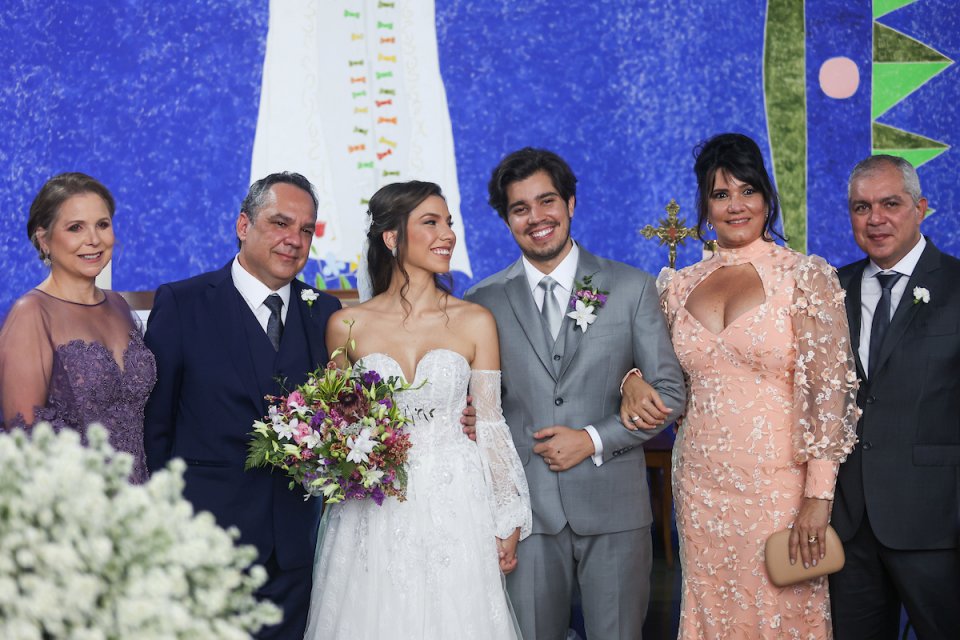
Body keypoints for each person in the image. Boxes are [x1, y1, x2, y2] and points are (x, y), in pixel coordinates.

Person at [465, 147, 686, 640]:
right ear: (506, 220)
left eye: (547, 201)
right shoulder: (482, 302)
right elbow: (479, 405)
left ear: (570, 203)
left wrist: (591, 438)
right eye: (520, 208)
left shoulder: (629, 287)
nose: (536, 218)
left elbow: (671, 392)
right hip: (526, 513)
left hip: (614, 506)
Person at [305, 180, 531, 639]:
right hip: (373, 507)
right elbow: (338, 424)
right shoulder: (345, 324)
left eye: (449, 222)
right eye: (431, 222)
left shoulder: (474, 321)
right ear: (392, 238)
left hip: (458, 502)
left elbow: (490, 424)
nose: (447, 233)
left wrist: (508, 513)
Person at [655, 133, 859, 638]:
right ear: (705, 204)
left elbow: (828, 394)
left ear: (767, 198)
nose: (736, 205)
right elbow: (654, 371)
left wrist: (818, 497)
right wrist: (634, 379)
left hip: (779, 486)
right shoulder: (677, 285)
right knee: (709, 612)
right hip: (699, 483)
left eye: (747, 190)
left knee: (782, 614)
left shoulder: (805, 276)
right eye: (721, 195)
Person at [143, 172, 342, 639]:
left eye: (306, 230)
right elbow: (156, 427)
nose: (294, 240)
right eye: (280, 223)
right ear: (243, 226)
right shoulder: (182, 302)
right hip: (204, 542)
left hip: (296, 548)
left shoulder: (327, 312)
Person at [830, 155, 960, 638]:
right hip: (848, 523)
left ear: (921, 208)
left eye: (890, 203)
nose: (875, 218)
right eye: (861, 207)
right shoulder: (829, 290)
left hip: (936, 522)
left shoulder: (957, 286)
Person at [0, 172, 155, 483]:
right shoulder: (32, 313)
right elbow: (23, 446)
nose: (93, 240)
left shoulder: (119, 306)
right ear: (43, 239)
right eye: (75, 228)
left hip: (139, 507)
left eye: (102, 224)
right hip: (72, 511)